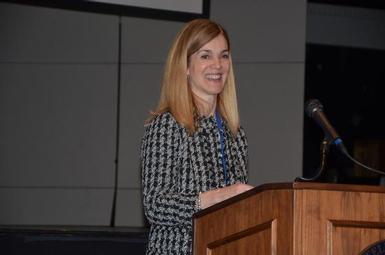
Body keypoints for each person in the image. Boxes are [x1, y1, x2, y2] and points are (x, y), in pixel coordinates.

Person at [140, 18, 253, 255]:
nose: (218, 65)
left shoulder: (235, 133)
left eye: (224, 55)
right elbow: (155, 204)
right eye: (205, 56)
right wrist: (212, 198)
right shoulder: (167, 124)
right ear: (186, 66)